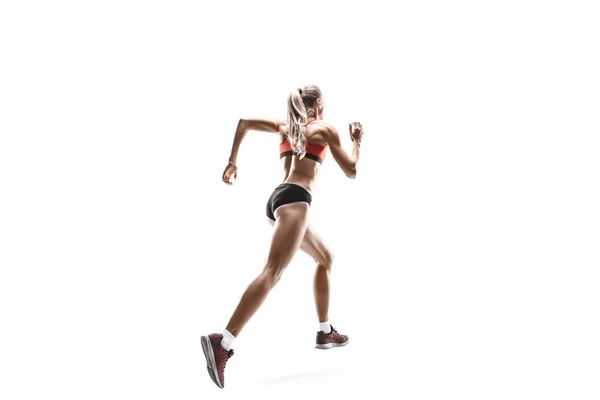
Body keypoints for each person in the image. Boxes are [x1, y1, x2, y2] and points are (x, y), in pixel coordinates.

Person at [201, 85, 364, 389]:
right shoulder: (324, 129)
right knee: (272, 272)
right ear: (316, 105)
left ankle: (325, 331)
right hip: (297, 200)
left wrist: (233, 160)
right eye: (323, 105)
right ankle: (222, 341)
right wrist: (357, 142)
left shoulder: (285, 126)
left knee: (325, 257)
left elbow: (244, 123)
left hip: (278, 199)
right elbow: (352, 170)